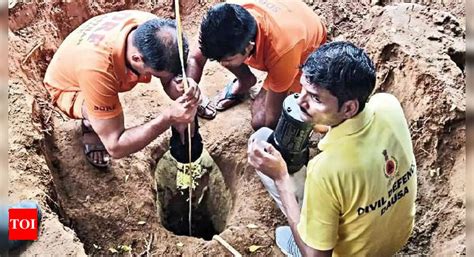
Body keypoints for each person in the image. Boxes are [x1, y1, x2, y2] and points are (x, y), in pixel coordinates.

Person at [248, 41, 417, 256]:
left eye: (316, 98)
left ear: (348, 108)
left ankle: (304, 235)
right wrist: (322, 119)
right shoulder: (388, 104)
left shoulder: (325, 170)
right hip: (397, 238)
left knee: (262, 137)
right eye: (302, 89)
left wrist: (281, 176)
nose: (301, 102)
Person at [43, 10, 202, 168]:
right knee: (104, 123)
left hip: (90, 60)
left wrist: (183, 84)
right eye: (158, 74)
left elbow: (172, 78)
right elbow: (116, 146)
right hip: (69, 86)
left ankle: (100, 118)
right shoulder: (98, 70)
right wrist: (168, 118)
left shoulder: (156, 31)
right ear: (137, 59)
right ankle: (91, 125)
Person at [181, 0, 327, 130]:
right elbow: (195, 59)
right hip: (287, 20)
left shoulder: (283, 51)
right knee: (224, 55)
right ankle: (245, 81)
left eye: (227, 61)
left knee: (260, 121)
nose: (222, 64)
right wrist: (190, 87)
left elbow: (271, 118)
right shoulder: (224, 21)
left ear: (249, 47)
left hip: (304, 53)